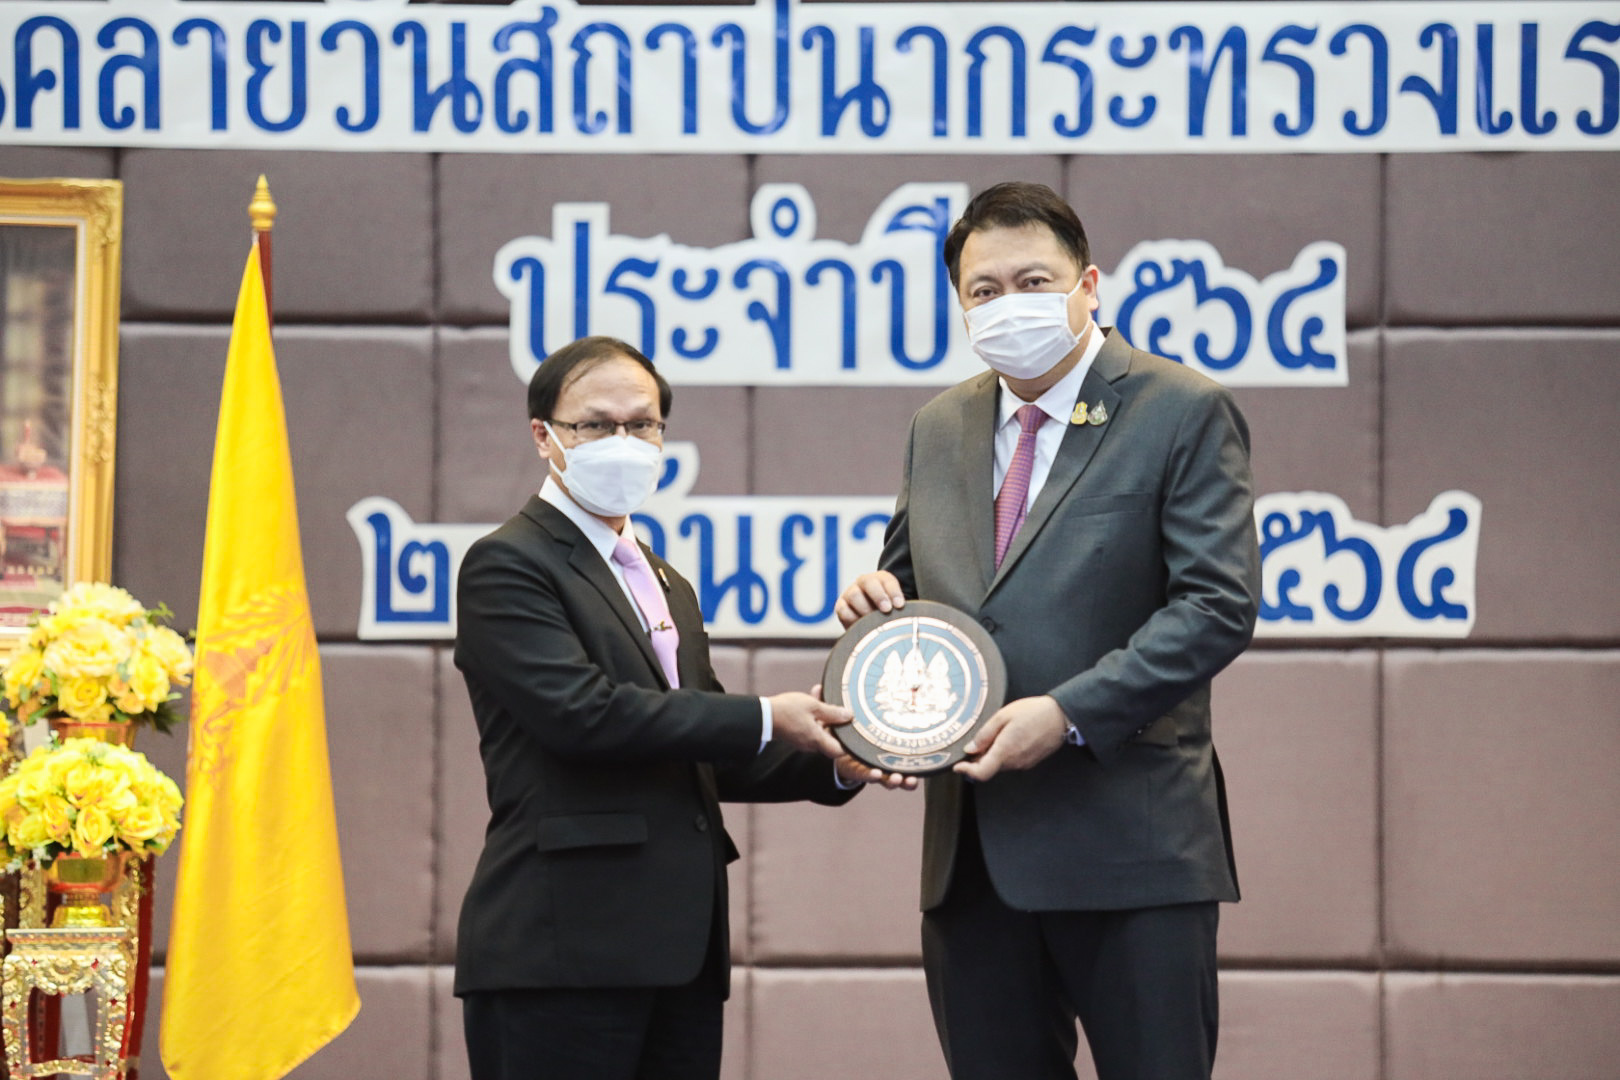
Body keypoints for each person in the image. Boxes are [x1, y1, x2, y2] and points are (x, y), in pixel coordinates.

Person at [837, 182, 1261, 1080]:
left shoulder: (1180, 408)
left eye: (1033, 281)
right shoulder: (937, 426)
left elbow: (1216, 606)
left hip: (1130, 849)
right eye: (984, 290)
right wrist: (880, 601)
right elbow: (914, 590)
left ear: (1088, 285)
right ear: (961, 307)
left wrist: (1067, 713)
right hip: (973, 859)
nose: (1009, 304)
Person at [455, 335, 906, 1080]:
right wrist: (767, 716)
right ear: (544, 436)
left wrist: (838, 756)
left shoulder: (664, 581)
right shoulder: (508, 564)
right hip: (563, 953)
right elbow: (582, 714)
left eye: (643, 424)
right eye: (596, 425)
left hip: (679, 954)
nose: (624, 442)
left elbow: (703, 749)